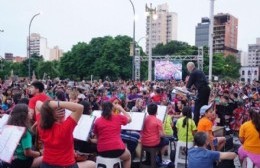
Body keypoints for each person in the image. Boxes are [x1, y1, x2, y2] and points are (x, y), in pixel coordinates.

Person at [36, 100, 95, 168]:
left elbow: (37, 103)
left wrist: (49, 110)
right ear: (61, 115)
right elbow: (80, 107)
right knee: (92, 164)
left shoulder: (41, 125)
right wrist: (57, 103)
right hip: (66, 165)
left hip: (46, 164)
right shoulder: (65, 127)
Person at [93, 102, 132, 168]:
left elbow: (97, 137)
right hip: (117, 149)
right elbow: (129, 119)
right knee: (128, 157)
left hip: (102, 151)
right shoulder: (118, 117)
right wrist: (121, 108)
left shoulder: (97, 121)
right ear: (112, 109)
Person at [7, 104, 42, 168]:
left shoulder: (12, 128)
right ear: (23, 115)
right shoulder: (25, 133)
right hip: (23, 162)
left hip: (12, 160)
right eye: (28, 111)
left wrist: (34, 126)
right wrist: (40, 153)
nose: (31, 112)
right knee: (46, 157)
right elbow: (27, 153)